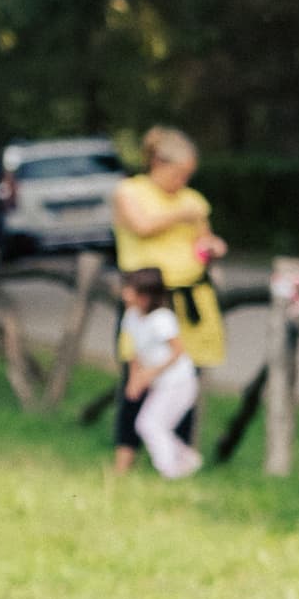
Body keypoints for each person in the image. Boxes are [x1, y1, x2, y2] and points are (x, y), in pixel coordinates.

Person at [110, 127, 227, 378]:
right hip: (148, 299)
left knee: (186, 378)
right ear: (157, 163)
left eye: (187, 176)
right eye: (177, 174)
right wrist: (180, 214)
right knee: (141, 379)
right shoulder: (130, 191)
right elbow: (142, 227)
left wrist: (212, 247)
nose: (182, 183)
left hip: (189, 296)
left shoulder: (192, 198)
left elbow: (203, 239)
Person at [110, 266, 202, 480]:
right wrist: (135, 379)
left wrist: (151, 373)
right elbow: (134, 351)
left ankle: (170, 470)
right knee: (150, 424)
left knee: (150, 424)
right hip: (161, 384)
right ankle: (186, 460)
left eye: (129, 290)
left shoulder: (162, 319)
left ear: (144, 297)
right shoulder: (132, 316)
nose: (124, 293)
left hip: (179, 383)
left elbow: (178, 350)